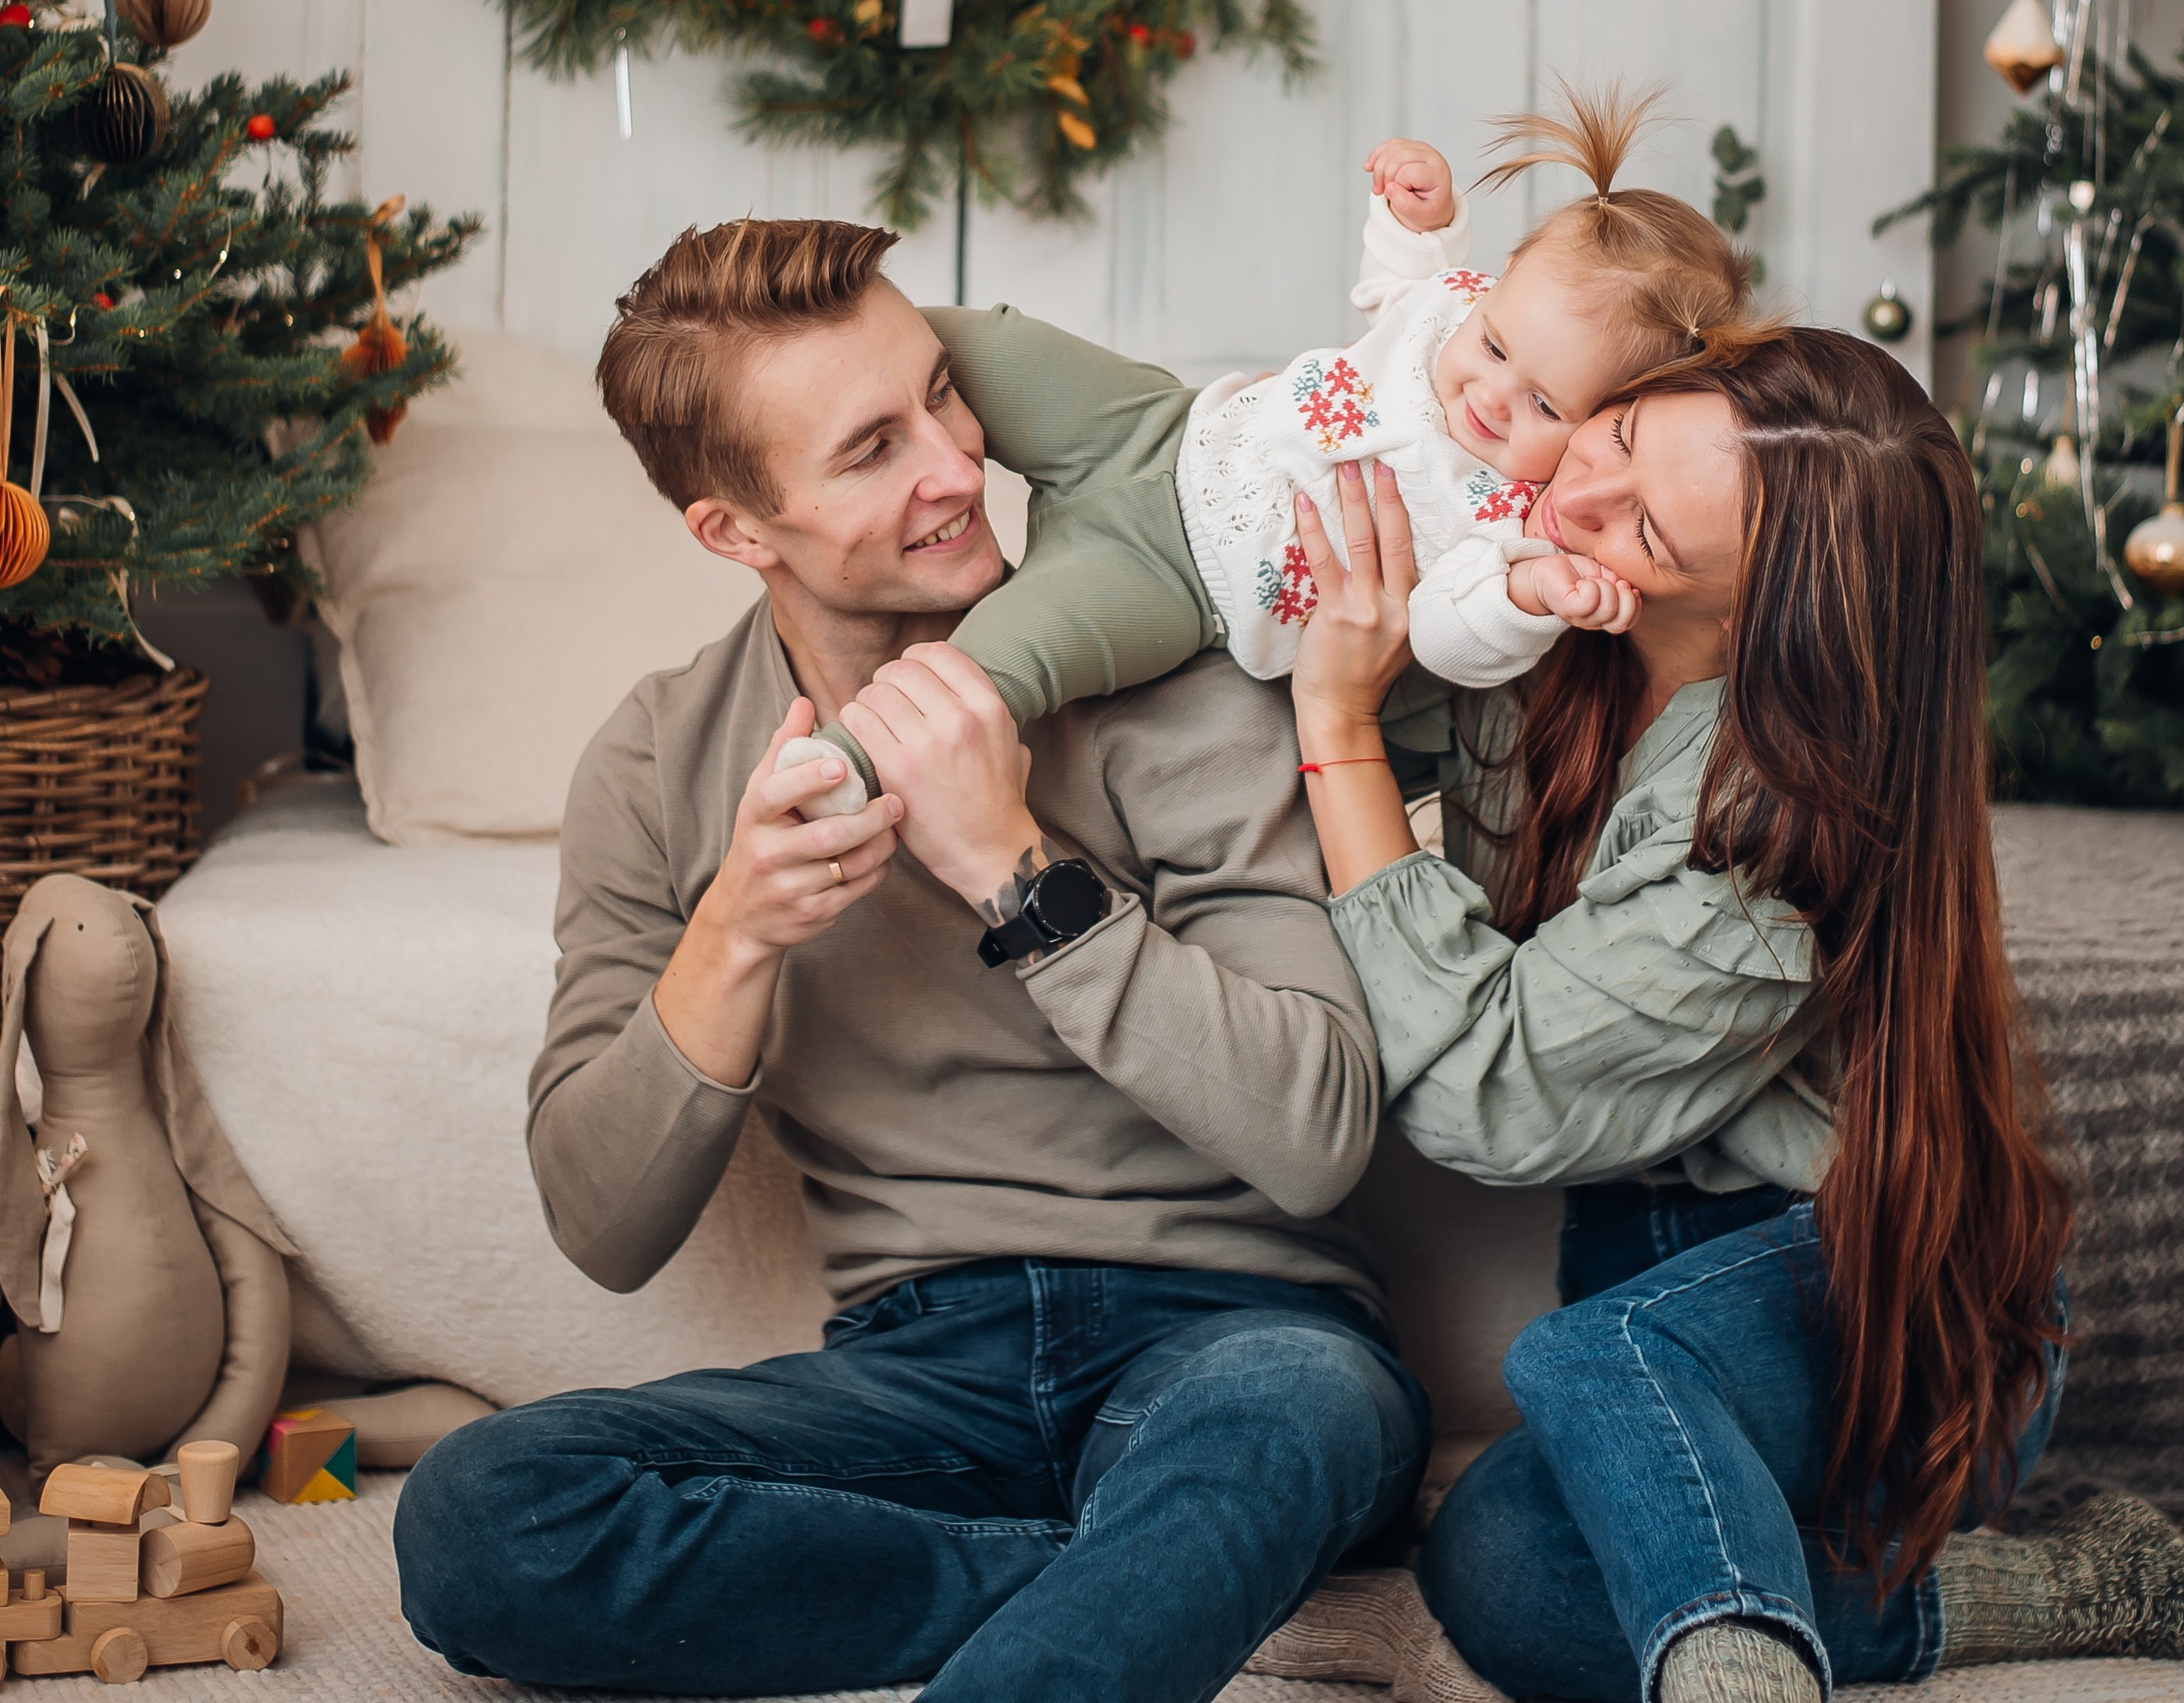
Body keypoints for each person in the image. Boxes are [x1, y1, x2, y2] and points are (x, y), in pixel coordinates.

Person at [1258, 328, 2184, 1702]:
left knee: (1590, 1349)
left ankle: (1764, 1667)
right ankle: (2038, 1584)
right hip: (1668, 1330)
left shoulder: (1778, 823)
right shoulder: (1549, 624)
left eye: (1642, 526)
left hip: (1894, 1312)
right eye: (1619, 435)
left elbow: (1487, 1093)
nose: (1570, 497)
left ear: (1762, 615)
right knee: (1503, 1564)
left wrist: (1335, 719)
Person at [389, 217, 1434, 1703]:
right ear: (735, 530)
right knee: (479, 1517)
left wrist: (1013, 865)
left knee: (1297, 1412)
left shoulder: (1167, 665)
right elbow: (600, 1220)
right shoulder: (657, 758)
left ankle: (1159, 1564)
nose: (957, 465)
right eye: (872, 448)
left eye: (945, 396)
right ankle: (1152, 1582)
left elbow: (1317, 1131)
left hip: (1239, 1331)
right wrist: (738, 927)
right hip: (922, 1367)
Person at [798, 86, 1734, 806]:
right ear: (1494, 294)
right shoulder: (1467, 313)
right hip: (1158, 423)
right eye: (1493, 345)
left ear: (1610, 413)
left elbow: (1452, 633)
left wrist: (1532, 597)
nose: (1488, 394)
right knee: (988, 344)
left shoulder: (1510, 522)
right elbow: (1408, 285)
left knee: (1005, 659)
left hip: (1179, 585)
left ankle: (838, 769)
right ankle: (772, 359)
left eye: (1542, 403)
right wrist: (1420, 219)